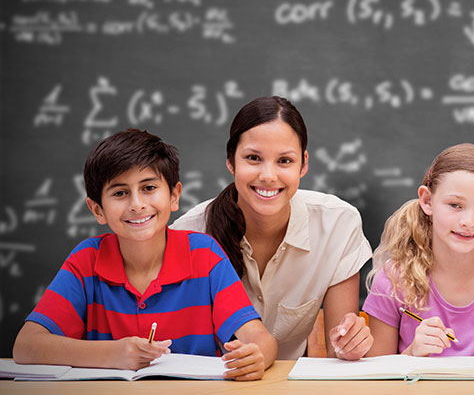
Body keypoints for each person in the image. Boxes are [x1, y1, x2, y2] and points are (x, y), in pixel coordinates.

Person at [13, 129, 277, 380]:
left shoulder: (204, 255)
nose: (137, 204)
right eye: (120, 193)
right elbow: (26, 346)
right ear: (97, 210)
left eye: (149, 188)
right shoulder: (86, 261)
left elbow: (259, 336)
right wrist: (113, 353)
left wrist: (257, 356)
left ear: (174, 196)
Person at [171, 96, 373, 360]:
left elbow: (339, 347)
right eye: (253, 158)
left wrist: (350, 342)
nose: (268, 175)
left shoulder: (336, 224)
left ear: (304, 164)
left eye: (284, 161)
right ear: (231, 161)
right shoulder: (189, 234)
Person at [363, 143, 474, 358]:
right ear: (427, 201)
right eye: (455, 205)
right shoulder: (393, 279)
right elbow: (377, 380)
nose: (468, 221)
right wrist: (411, 354)